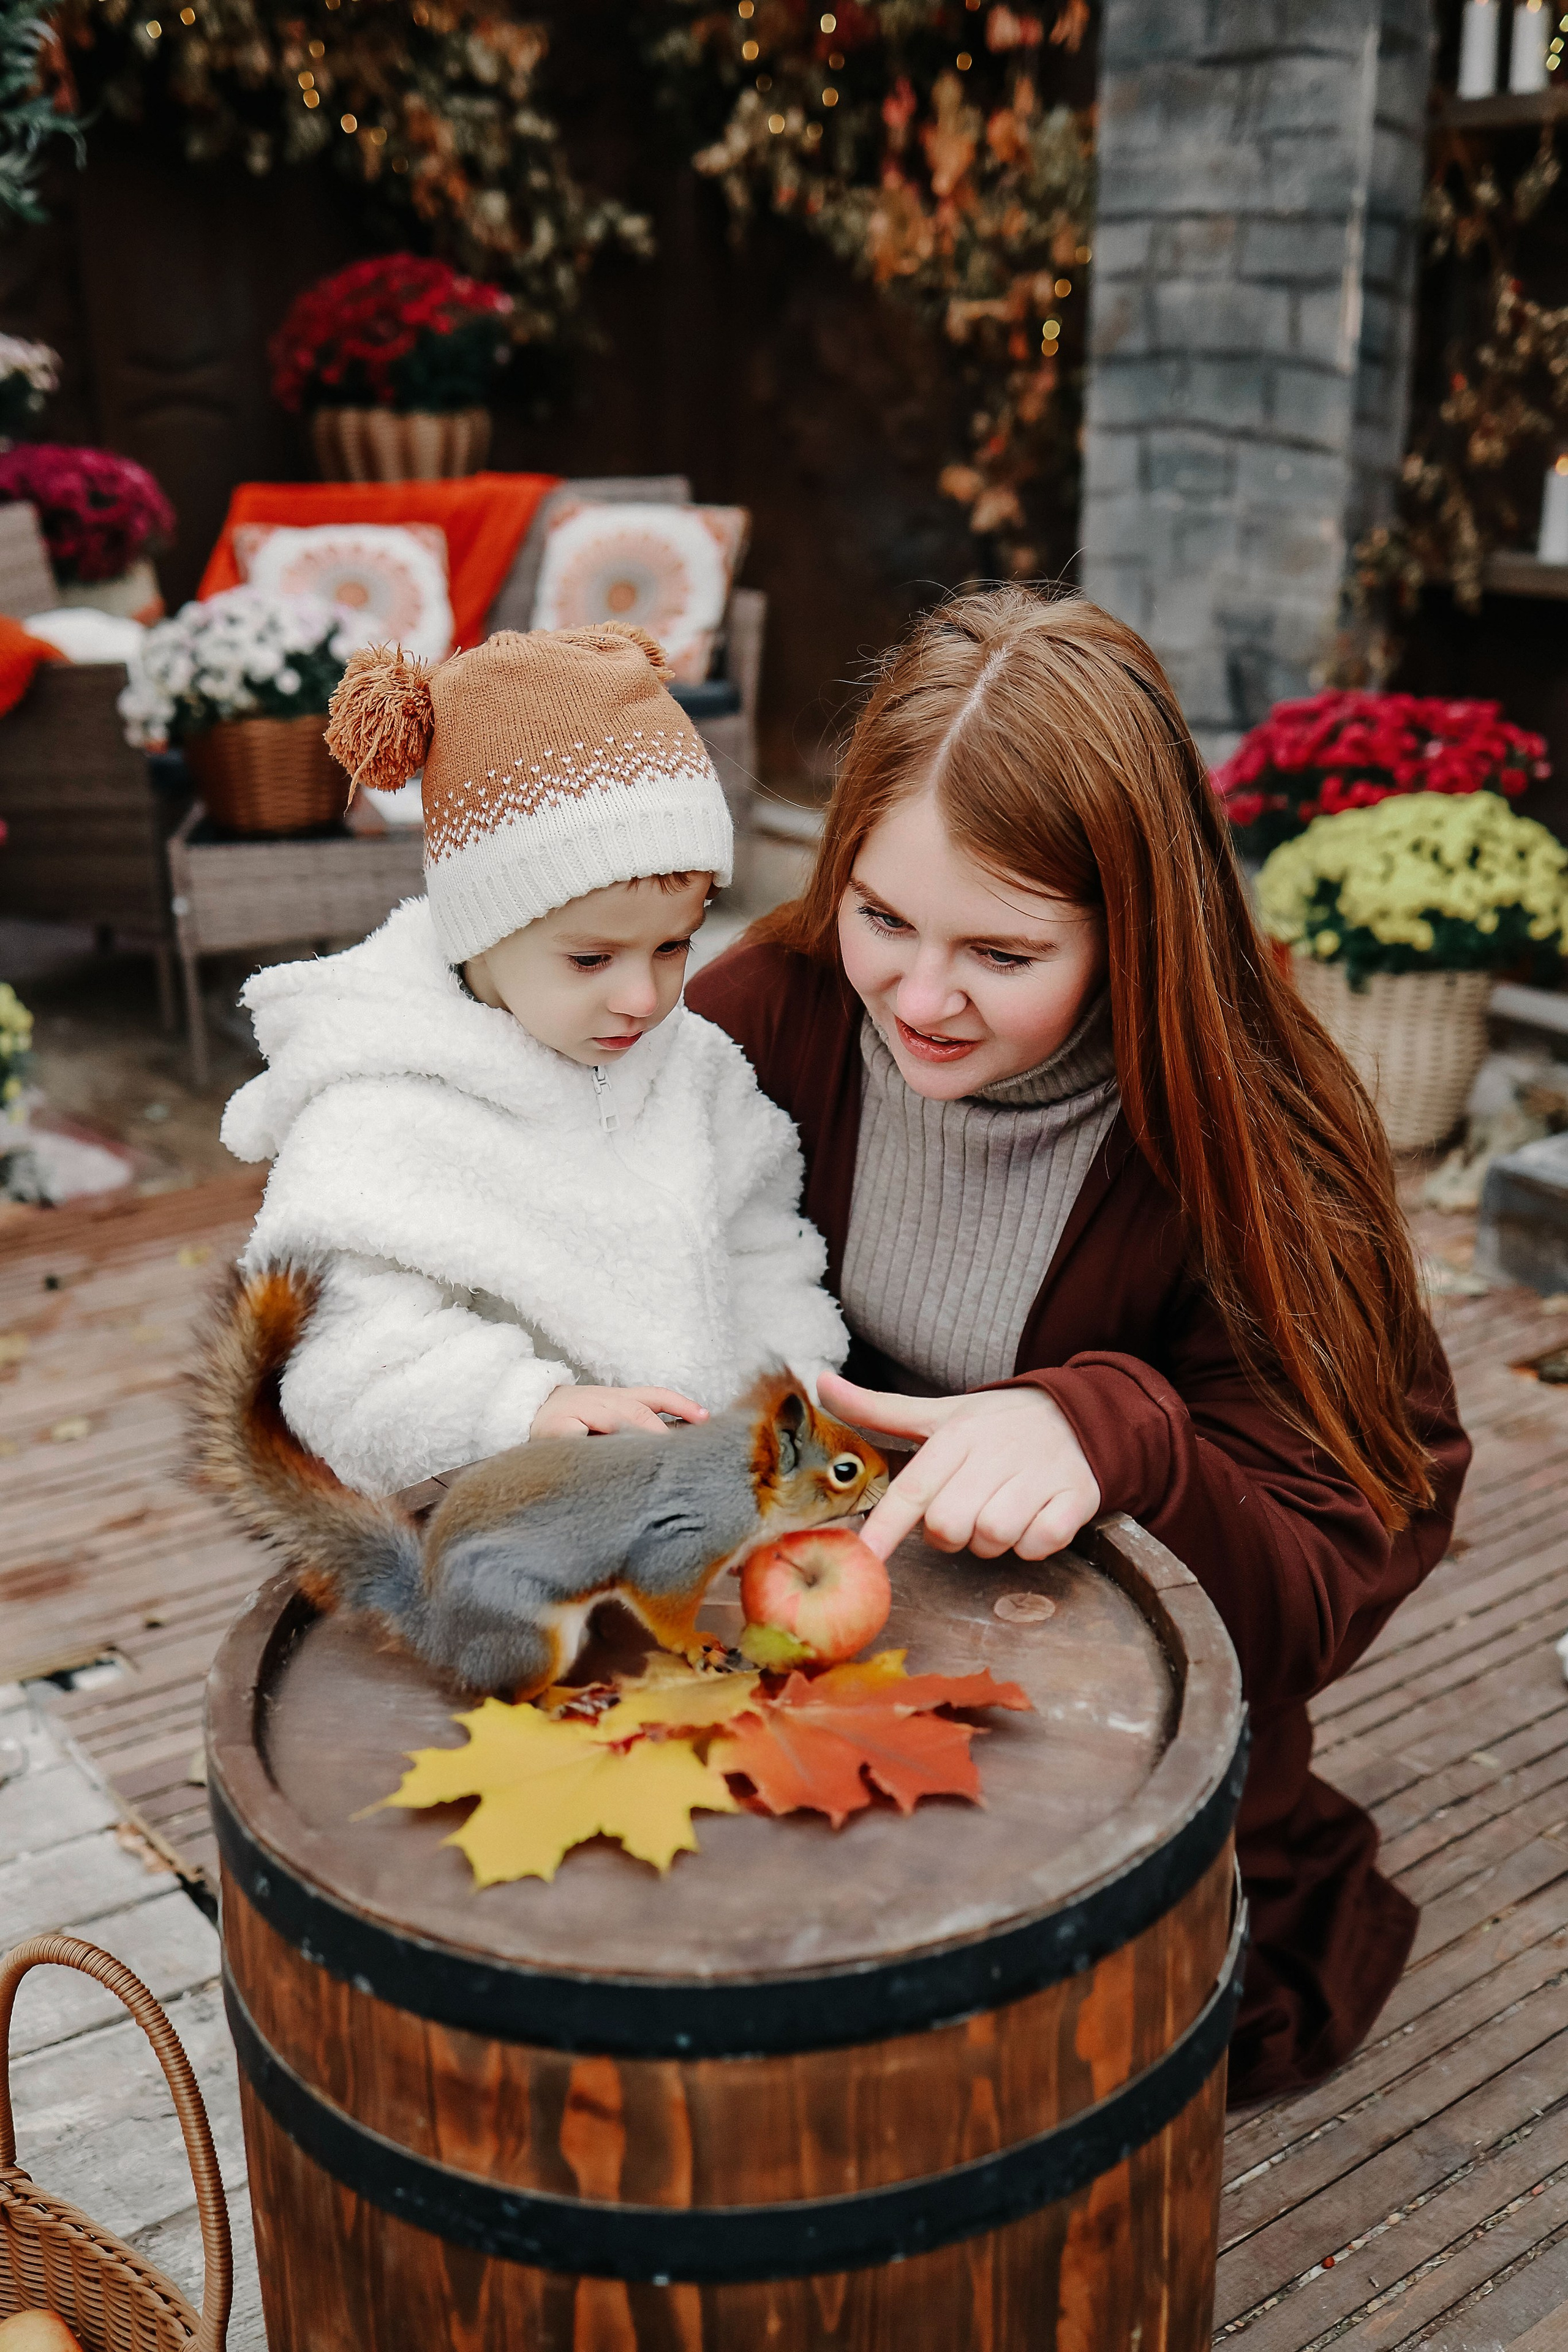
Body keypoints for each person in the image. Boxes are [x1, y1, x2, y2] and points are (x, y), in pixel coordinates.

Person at [687, 586, 1471, 2103]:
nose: (919, 997)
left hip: (1102, 1756)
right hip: (798, 1668)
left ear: (1135, 925)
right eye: (881, 915)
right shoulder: (767, 1019)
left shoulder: (1253, 1152)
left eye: (1002, 950)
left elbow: (1337, 1559)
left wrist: (1118, 1429)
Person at [221, 622, 848, 1496]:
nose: (644, 997)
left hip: (703, 1511)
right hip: (503, 1525)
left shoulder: (691, 1069)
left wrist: (793, 1389)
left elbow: (764, 1246)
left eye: (674, 947)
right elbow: (339, 1350)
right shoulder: (380, 1113)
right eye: (592, 960)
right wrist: (524, 1405)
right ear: (482, 927)